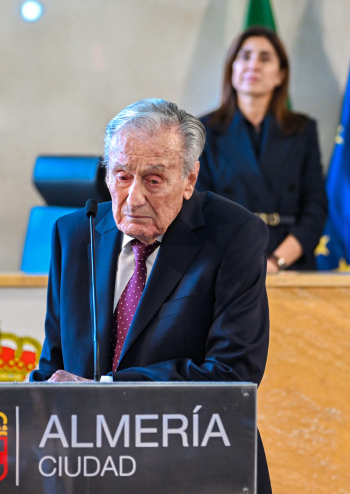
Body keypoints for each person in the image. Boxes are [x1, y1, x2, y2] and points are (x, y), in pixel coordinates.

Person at [30, 99, 272, 492]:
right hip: (94, 470)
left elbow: (234, 375)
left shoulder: (234, 236)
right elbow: (55, 364)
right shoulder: (76, 235)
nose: (135, 196)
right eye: (122, 176)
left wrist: (109, 390)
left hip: (199, 468)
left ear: (190, 179)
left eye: (154, 180)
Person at [198, 27, 327, 272]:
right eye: (245, 57)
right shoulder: (203, 130)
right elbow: (199, 207)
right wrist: (243, 261)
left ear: (280, 75)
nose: (253, 65)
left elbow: (316, 206)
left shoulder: (303, 130)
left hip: (291, 262)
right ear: (232, 70)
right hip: (226, 262)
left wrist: (277, 261)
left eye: (265, 58)